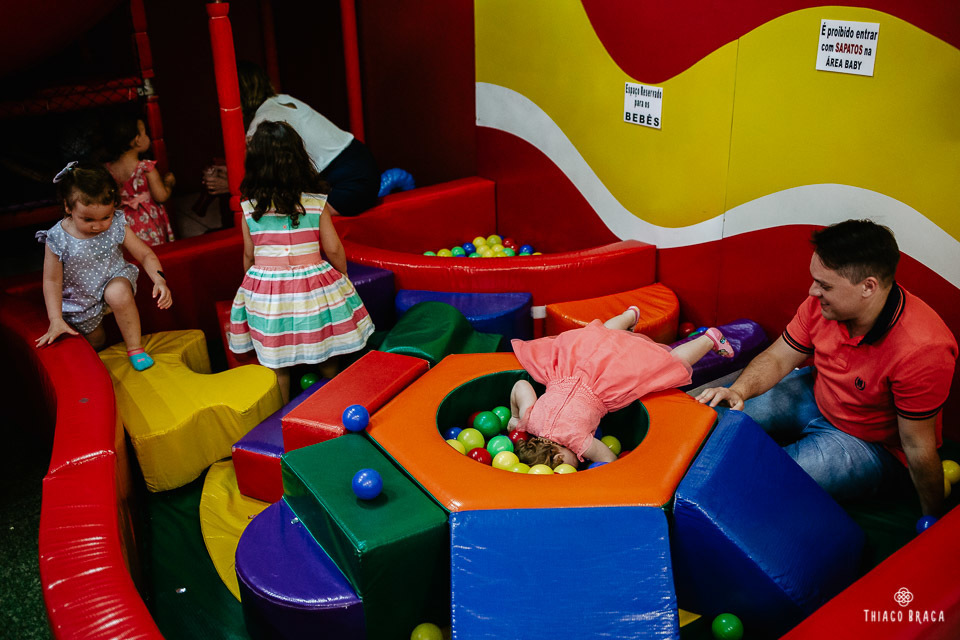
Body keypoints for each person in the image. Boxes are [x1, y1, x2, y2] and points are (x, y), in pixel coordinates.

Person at [697, 220, 957, 516]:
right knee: (709, 413)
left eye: (824, 285)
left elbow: (917, 445)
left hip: (872, 443)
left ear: (867, 287)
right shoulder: (822, 306)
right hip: (818, 395)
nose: (813, 291)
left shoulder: (923, 350)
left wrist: (932, 518)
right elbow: (779, 358)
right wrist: (738, 391)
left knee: (763, 479)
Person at [227, 121, 374, 404]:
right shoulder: (315, 202)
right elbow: (333, 248)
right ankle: (333, 401)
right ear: (298, 160)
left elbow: (249, 253)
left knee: (276, 363)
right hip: (312, 286)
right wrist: (342, 276)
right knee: (327, 350)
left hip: (268, 290)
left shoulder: (250, 208)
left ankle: (280, 419)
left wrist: (251, 286)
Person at [508, 307, 734, 469]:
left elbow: (610, 460)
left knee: (666, 364)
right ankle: (628, 315)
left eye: (564, 468)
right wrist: (516, 415)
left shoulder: (578, 442)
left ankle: (708, 340)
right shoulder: (530, 420)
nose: (571, 469)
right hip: (571, 368)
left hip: (605, 384)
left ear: (557, 456)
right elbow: (521, 385)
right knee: (597, 337)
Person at [35, 162, 173, 371]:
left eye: (105, 217)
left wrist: (159, 279)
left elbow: (144, 254)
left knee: (117, 292)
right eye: (88, 219)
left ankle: (135, 348)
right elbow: (52, 280)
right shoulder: (57, 238)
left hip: (113, 277)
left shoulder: (117, 224)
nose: (98, 225)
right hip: (80, 295)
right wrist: (55, 319)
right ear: (68, 207)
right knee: (96, 340)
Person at [203, 62, 380, 218]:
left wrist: (232, 185)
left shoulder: (262, 124)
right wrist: (232, 171)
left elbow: (271, 183)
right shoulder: (281, 100)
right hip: (363, 164)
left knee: (278, 211)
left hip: (349, 186)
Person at [105, 113, 176, 246]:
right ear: (137, 140)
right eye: (145, 133)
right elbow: (161, 196)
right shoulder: (146, 168)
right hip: (148, 222)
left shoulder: (107, 170)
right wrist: (168, 183)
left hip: (121, 224)